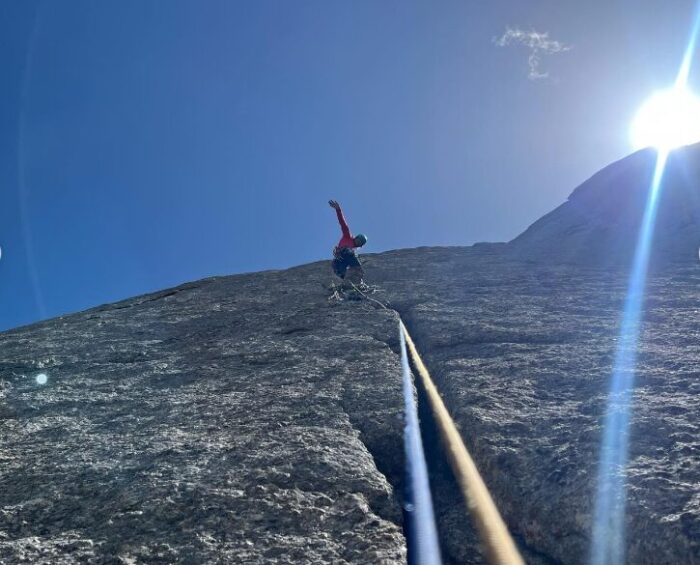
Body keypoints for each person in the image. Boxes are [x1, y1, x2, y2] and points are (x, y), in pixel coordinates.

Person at [328, 200, 367, 284]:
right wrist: (338, 209)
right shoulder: (347, 235)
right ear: (356, 237)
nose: (358, 242)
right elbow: (343, 224)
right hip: (341, 255)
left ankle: (350, 282)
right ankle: (351, 275)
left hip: (344, 260)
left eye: (360, 243)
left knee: (344, 272)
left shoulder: (353, 249)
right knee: (350, 254)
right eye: (358, 240)